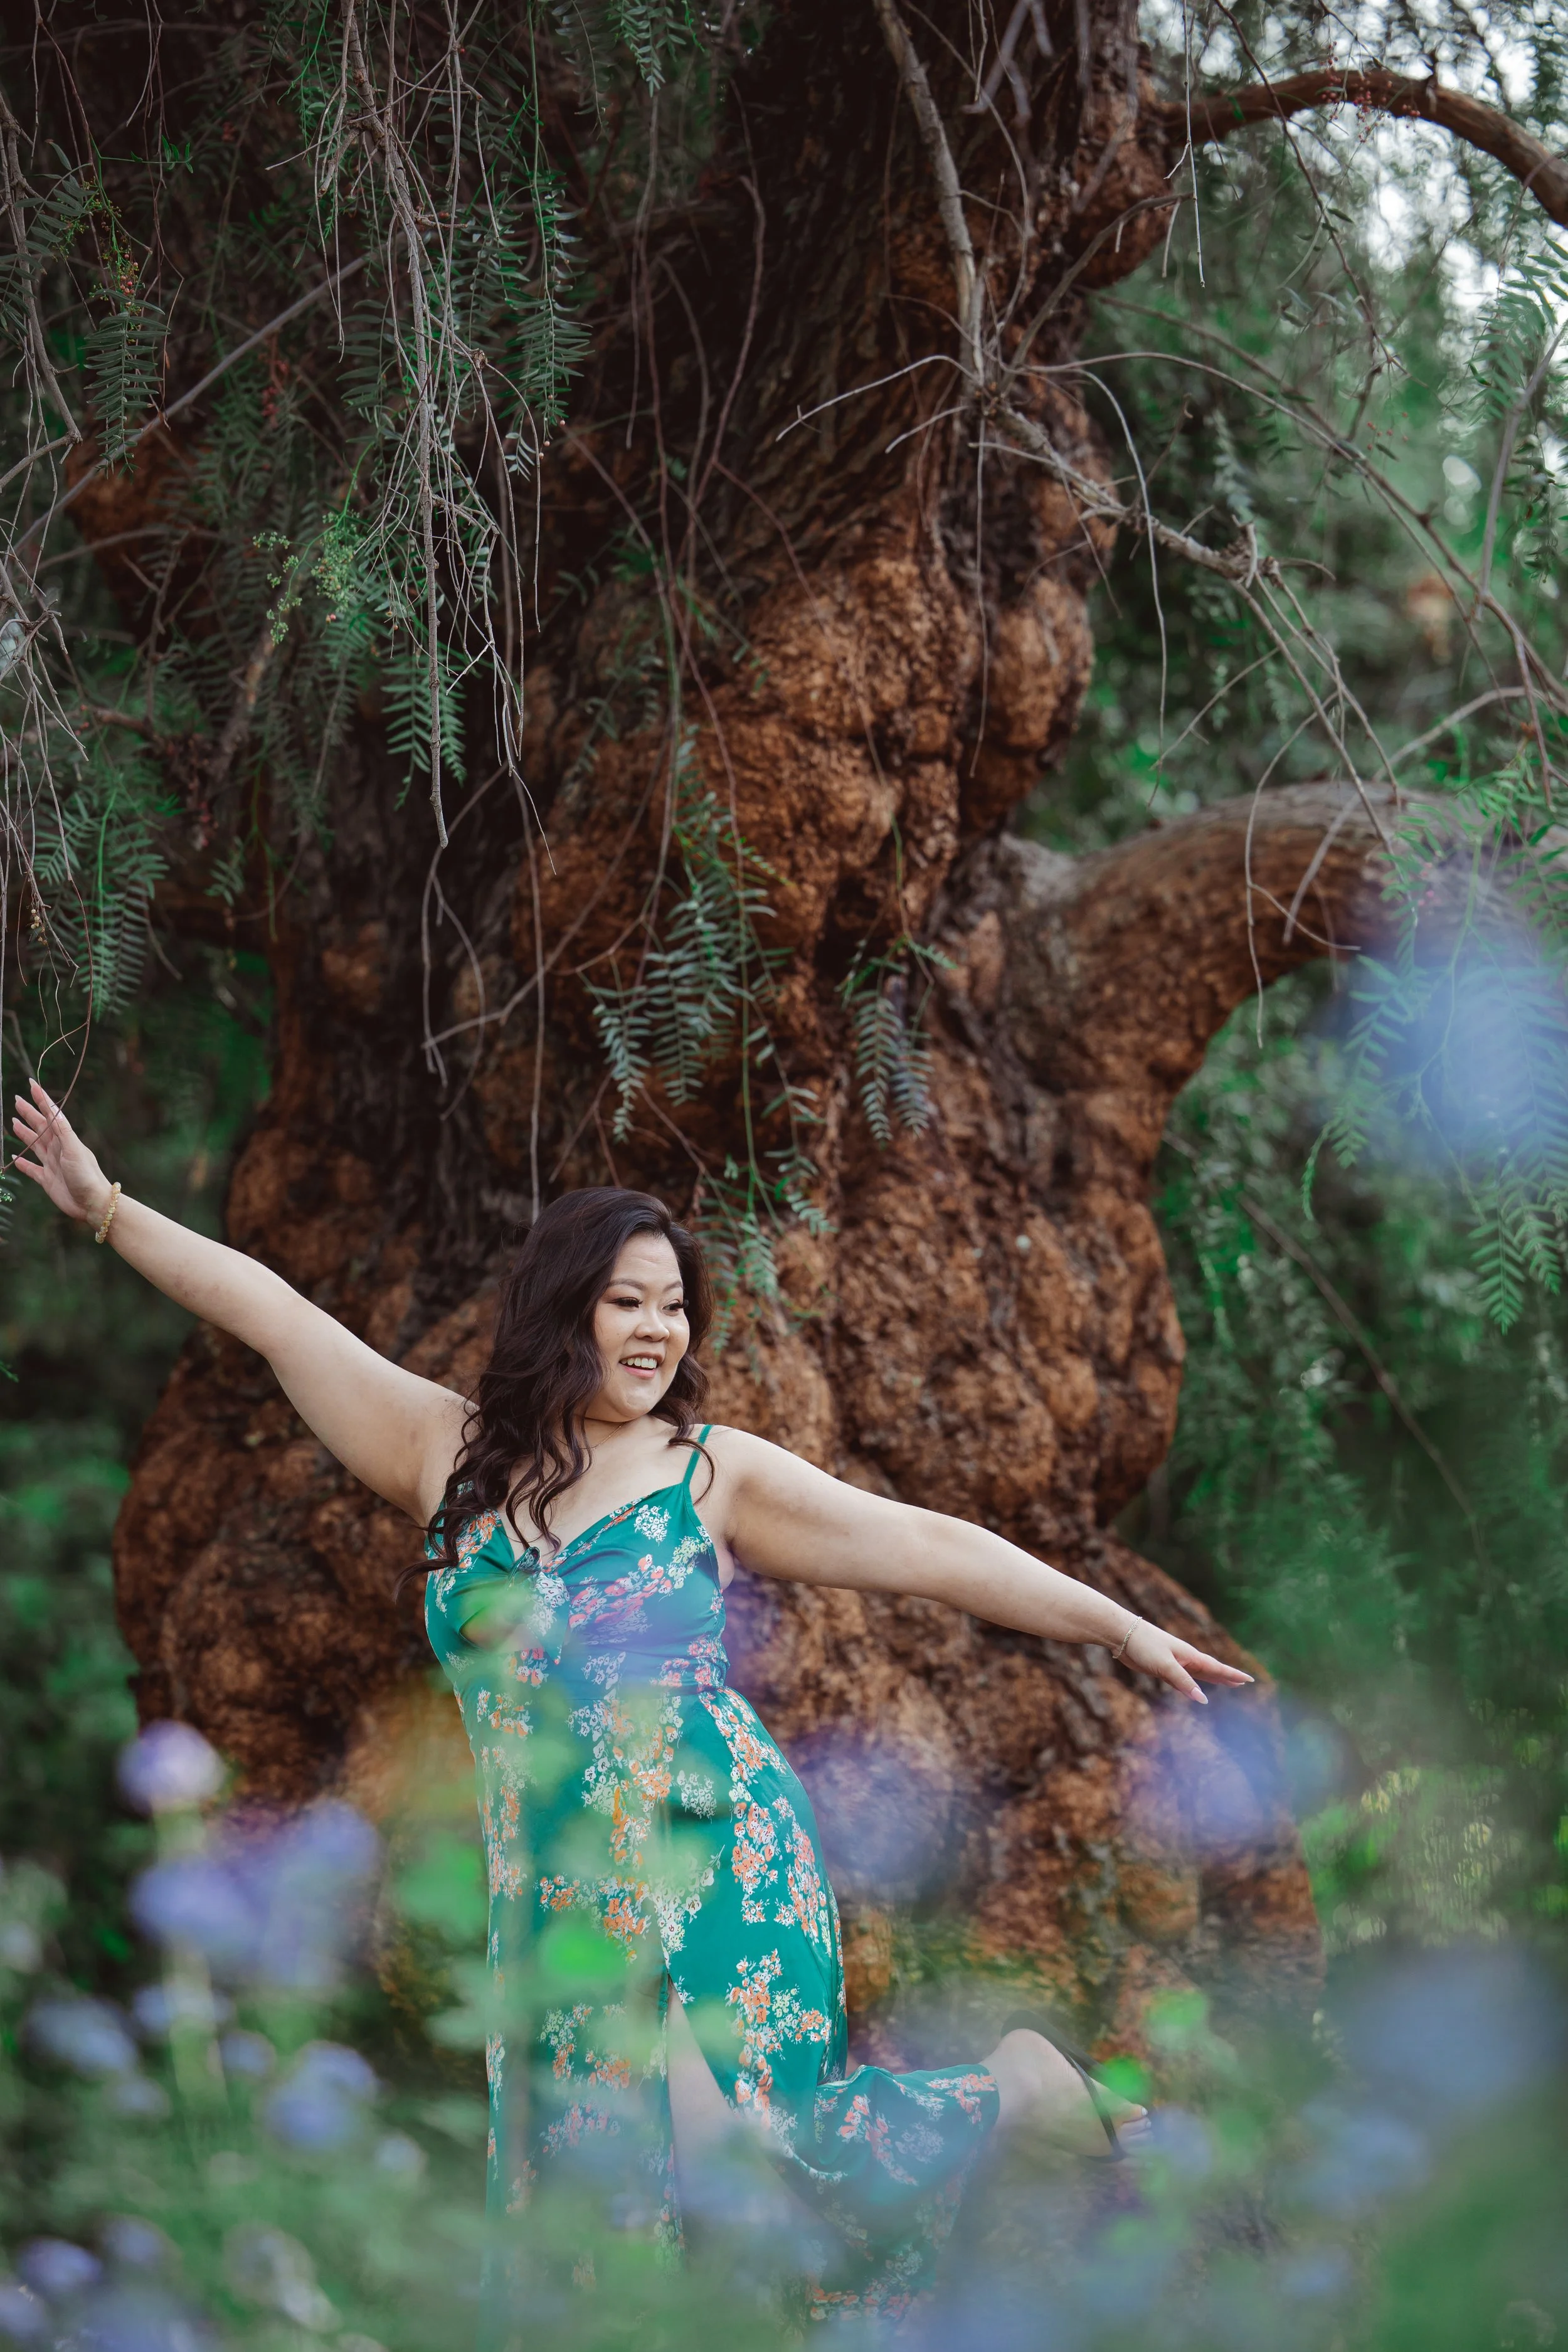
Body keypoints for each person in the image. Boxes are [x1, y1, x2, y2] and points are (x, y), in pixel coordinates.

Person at [12, 1082, 1251, 2333]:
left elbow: (929, 1544)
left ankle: (1019, 2095)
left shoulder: (709, 1475)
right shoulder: (444, 1457)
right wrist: (107, 1208)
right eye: (628, 1303)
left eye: (673, 1307)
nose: (658, 1331)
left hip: (708, 1849)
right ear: (564, 1313)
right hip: (552, 1891)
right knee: (607, 2210)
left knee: (747, 2165)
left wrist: (1116, 1622)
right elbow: (275, 1317)